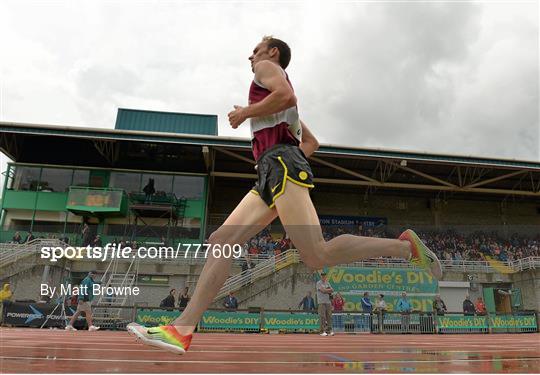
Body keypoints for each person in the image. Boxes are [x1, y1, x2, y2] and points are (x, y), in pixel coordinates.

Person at [127, 35, 442, 355]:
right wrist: (277, 157)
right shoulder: (280, 114)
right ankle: (181, 329)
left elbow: (287, 96)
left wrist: (247, 115)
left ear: (272, 52)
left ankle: (406, 248)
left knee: (316, 254)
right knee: (222, 241)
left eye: (256, 50)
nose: (251, 56)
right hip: (273, 171)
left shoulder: (266, 69)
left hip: (281, 168)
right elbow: (312, 142)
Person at [317, 272, 334, 336]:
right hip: (321, 302)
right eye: (322, 276)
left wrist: (326, 290)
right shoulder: (318, 283)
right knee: (322, 316)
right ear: (321, 276)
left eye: (324, 276)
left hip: (328, 302)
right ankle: (322, 331)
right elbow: (323, 291)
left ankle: (329, 330)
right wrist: (328, 290)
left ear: (326, 276)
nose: (323, 277)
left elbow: (332, 290)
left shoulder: (327, 283)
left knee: (329, 316)